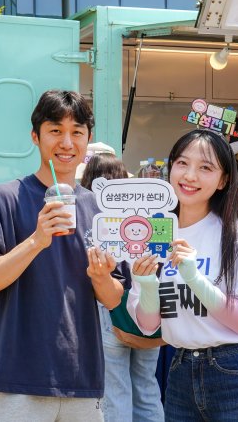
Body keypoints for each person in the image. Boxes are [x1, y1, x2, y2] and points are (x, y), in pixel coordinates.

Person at [0, 89, 124, 422]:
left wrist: (102, 277)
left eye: (77, 132)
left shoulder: (99, 208)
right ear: (36, 136)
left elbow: (115, 298)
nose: (66, 142)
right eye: (55, 131)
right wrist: (36, 240)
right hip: (17, 378)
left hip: (82, 379)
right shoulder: (0, 200)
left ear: (87, 140)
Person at [128, 129, 238, 421]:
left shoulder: (234, 236)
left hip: (233, 369)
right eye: (182, 163)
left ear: (223, 180)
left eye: (205, 167)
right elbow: (148, 325)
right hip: (180, 369)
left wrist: (194, 278)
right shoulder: (154, 231)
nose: (189, 175)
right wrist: (146, 284)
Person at [80, 152, 166, 422]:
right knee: (147, 388)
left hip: (110, 307)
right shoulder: (150, 214)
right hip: (147, 307)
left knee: (115, 390)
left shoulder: (94, 218)